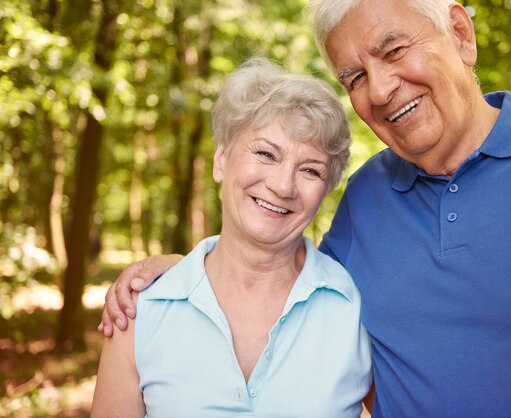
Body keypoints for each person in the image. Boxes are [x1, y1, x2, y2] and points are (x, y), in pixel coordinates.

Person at [101, 0, 511, 416]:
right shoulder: (369, 196)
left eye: (394, 50)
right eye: (353, 76)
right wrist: (180, 273)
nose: (379, 88)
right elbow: (281, 274)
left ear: (461, 36)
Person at [91, 57, 372, 418]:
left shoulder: (357, 306)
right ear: (221, 159)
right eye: (266, 153)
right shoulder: (141, 308)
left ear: (327, 188)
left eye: (311, 170)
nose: (282, 185)